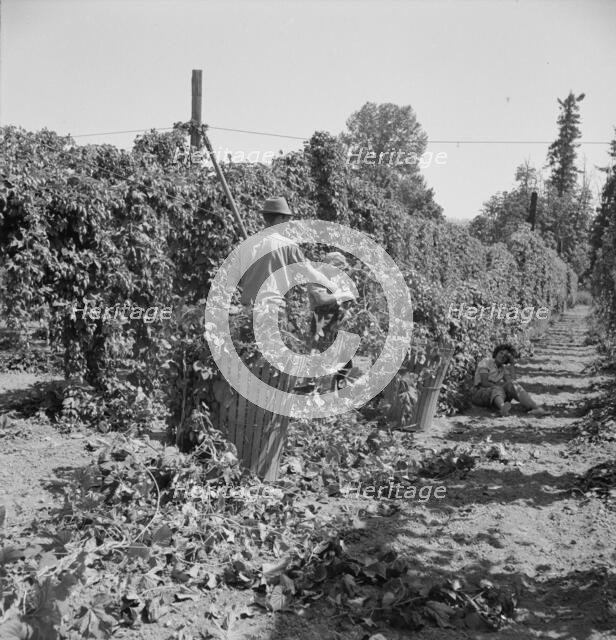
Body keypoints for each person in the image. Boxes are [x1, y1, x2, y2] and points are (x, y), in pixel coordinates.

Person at [307, 251, 356, 391]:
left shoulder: (331, 279)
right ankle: (320, 396)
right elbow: (322, 299)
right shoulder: (316, 278)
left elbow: (339, 300)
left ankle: (338, 395)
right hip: (321, 324)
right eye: (338, 268)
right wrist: (343, 294)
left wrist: (346, 305)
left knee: (345, 364)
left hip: (335, 324)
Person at [471, 343, 548, 416]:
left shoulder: (502, 369)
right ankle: (502, 408)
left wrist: (512, 365)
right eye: (501, 353)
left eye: (505, 357)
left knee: (511, 385)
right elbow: (484, 383)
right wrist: (499, 387)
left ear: (506, 360)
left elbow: (513, 384)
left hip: (494, 395)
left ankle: (536, 408)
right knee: (497, 388)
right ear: (496, 353)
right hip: (479, 393)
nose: (502, 356)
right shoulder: (486, 362)